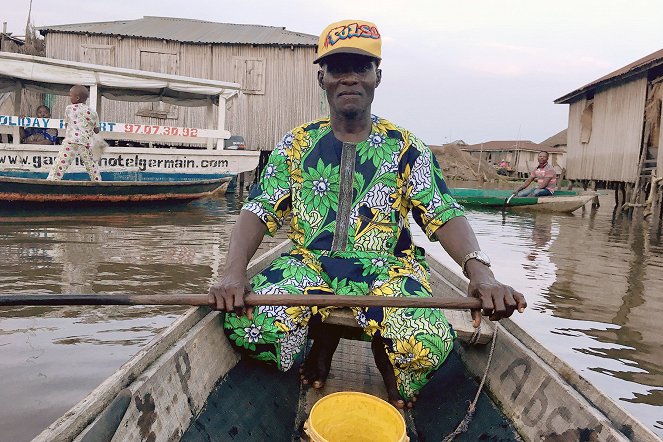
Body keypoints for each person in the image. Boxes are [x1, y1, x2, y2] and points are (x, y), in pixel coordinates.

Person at [209, 19, 527, 409]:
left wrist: (483, 274)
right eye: (338, 68)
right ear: (321, 77)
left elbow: (443, 212)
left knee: (429, 341)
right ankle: (323, 338)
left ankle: (383, 352)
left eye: (360, 68)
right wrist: (232, 272)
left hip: (387, 268)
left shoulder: (405, 146)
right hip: (311, 264)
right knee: (246, 324)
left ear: (378, 77)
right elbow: (258, 209)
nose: (349, 78)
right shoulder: (297, 143)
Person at [47, 85, 102, 181]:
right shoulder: (93, 112)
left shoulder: (69, 109)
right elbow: (96, 130)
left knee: (60, 163)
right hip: (86, 143)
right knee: (91, 165)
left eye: (70, 96)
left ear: (77, 98)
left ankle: (52, 181)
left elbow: (66, 124)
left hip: (71, 141)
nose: (69, 98)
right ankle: (97, 182)